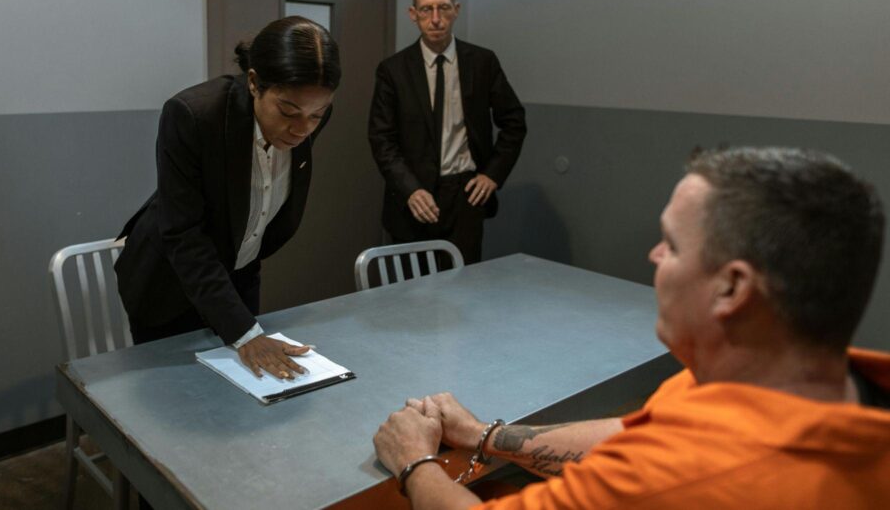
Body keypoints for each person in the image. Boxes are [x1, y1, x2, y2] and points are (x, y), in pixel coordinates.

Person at [374, 146, 890, 509]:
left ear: (732, 289)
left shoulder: (687, 479)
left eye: (673, 244)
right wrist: (486, 435)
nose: (654, 255)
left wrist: (414, 462)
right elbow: (629, 435)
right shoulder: (795, 383)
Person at [115, 16, 340, 381]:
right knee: (176, 402)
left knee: (245, 390)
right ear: (254, 82)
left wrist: (243, 328)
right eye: (288, 112)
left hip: (238, 276)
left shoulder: (308, 115)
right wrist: (245, 333)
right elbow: (183, 235)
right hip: (169, 283)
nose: (302, 129)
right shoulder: (193, 115)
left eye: (317, 114)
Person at [368, 0, 526, 264]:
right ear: (413, 14)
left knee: (463, 289)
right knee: (413, 293)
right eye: (427, 9)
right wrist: (410, 190)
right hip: (413, 198)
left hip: (465, 196)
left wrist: (493, 174)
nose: (436, 18)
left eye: (444, 7)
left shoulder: (482, 62)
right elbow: (381, 138)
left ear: (457, 10)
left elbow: (514, 121)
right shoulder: (393, 70)